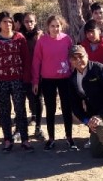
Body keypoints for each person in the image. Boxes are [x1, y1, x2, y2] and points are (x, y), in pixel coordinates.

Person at [0, 11, 34, 152]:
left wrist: (26, 80)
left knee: (20, 110)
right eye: (4, 22)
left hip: (18, 80)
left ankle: (25, 139)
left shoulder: (19, 38)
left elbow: (26, 60)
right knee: (5, 111)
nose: (7, 24)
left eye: (9, 21)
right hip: (1, 81)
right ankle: (7, 139)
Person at [68, 45, 103, 167]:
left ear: (87, 56)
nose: (78, 60)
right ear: (70, 61)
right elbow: (75, 106)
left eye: (81, 56)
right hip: (95, 114)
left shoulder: (99, 69)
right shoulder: (72, 79)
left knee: (101, 126)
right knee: (96, 151)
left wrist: (100, 116)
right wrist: (87, 121)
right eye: (74, 58)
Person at [32, 15, 76, 151]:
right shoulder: (42, 41)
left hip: (65, 78)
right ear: (48, 27)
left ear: (61, 26)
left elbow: (73, 58)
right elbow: (37, 61)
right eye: (52, 26)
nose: (55, 28)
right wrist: (35, 81)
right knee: (50, 109)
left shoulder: (67, 39)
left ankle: (69, 137)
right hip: (48, 80)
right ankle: (51, 139)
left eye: (58, 26)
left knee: (67, 109)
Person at [20, 12, 46, 141]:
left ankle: (38, 127)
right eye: (26, 21)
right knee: (21, 99)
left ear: (35, 22)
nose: (29, 24)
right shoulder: (18, 36)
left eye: (31, 21)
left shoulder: (40, 36)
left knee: (38, 99)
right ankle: (20, 128)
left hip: (38, 72)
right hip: (23, 72)